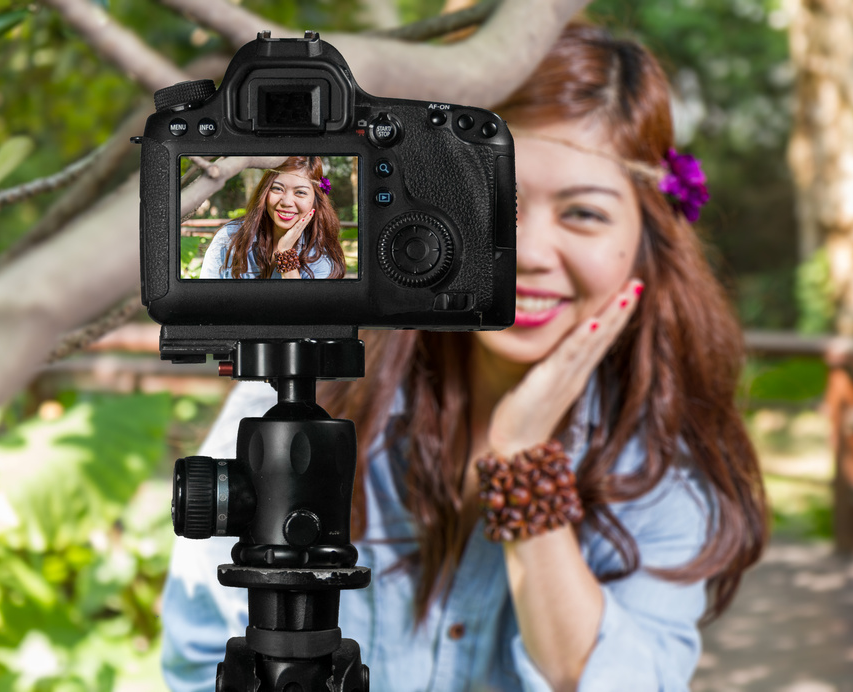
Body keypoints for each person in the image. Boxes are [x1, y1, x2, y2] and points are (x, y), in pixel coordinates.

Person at [161, 23, 767, 691]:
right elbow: (199, 657)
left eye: (583, 215)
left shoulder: (659, 465)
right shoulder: (303, 391)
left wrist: (521, 466)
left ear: (645, 241)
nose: (532, 254)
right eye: (495, 205)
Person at [198, 155, 347, 279]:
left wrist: (285, 256)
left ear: (316, 201)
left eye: (300, 192)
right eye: (277, 188)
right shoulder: (229, 238)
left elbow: (303, 313)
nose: (286, 202)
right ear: (265, 192)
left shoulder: (321, 258)